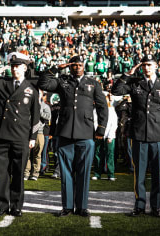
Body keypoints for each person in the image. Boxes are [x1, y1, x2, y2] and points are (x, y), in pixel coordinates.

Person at [38, 55, 108, 217]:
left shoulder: (93, 83)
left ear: (84, 66)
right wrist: (56, 68)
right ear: (70, 66)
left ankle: (82, 207)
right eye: (74, 65)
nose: (77, 67)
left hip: (85, 133)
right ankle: (67, 207)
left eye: (79, 64)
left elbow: (102, 106)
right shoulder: (63, 81)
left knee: (83, 172)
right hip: (65, 132)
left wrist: (101, 129)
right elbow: (43, 83)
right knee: (66, 172)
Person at [0, 52, 40, 217]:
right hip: (2, 135)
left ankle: (16, 206)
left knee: (18, 173)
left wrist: (32, 137)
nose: (14, 69)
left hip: (21, 137)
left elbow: (36, 116)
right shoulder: (1, 83)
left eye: (17, 66)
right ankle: (2, 206)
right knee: (2, 174)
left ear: (24, 68)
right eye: (12, 66)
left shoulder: (31, 89)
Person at [111, 54, 160, 217]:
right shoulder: (134, 82)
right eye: (144, 65)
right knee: (139, 173)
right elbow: (115, 91)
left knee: (156, 174)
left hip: (158, 135)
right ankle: (139, 206)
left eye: (150, 65)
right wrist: (128, 73)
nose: (146, 68)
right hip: (138, 134)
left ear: (156, 66)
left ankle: (155, 207)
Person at [24, 90, 51, 181]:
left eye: (39, 94)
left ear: (42, 95)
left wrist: (38, 111)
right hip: (27, 132)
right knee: (26, 153)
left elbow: (48, 117)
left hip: (39, 132)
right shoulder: (28, 104)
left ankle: (35, 173)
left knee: (37, 154)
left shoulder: (45, 106)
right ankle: (26, 173)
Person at [92, 92, 118, 181]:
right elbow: (94, 123)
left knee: (110, 155)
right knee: (97, 154)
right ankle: (97, 173)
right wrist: (97, 133)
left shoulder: (111, 110)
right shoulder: (96, 110)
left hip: (109, 136)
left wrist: (110, 136)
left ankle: (111, 174)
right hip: (99, 136)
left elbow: (114, 124)